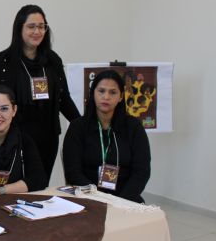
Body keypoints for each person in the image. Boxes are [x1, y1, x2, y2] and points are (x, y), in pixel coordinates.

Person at [0, 4, 79, 180]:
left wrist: (82, 125)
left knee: (40, 185)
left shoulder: (53, 60)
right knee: (15, 187)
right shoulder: (2, 62)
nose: (37, 31)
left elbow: (63, 99)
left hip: (47, 139)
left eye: (42, 26)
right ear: (19, 28)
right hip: (12, 138)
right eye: (31, 26)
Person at [62, 70, 151, 203]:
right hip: (88, 198)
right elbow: (73, 172)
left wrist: (120, 202)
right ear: (93, 93)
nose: (106, 97)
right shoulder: (77, 127)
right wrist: (97, 199)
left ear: (121, 97)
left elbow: (141, 172)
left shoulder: (134, 127)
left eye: (113, 92)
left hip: (126, 199)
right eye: (101, 91)